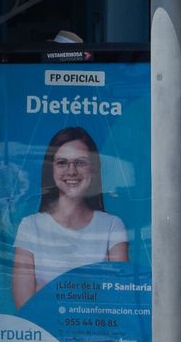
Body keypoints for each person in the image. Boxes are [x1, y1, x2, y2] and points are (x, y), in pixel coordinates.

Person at [11, 126, 130, 308]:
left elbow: (118, 300)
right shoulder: (30, 226)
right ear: (51, 169)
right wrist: (95, 291)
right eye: (62, 163)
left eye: (80, 162)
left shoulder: (112, 226)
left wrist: (46, 292)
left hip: (96, 328)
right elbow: (25, 307)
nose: (71, 171)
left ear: (93, 168)